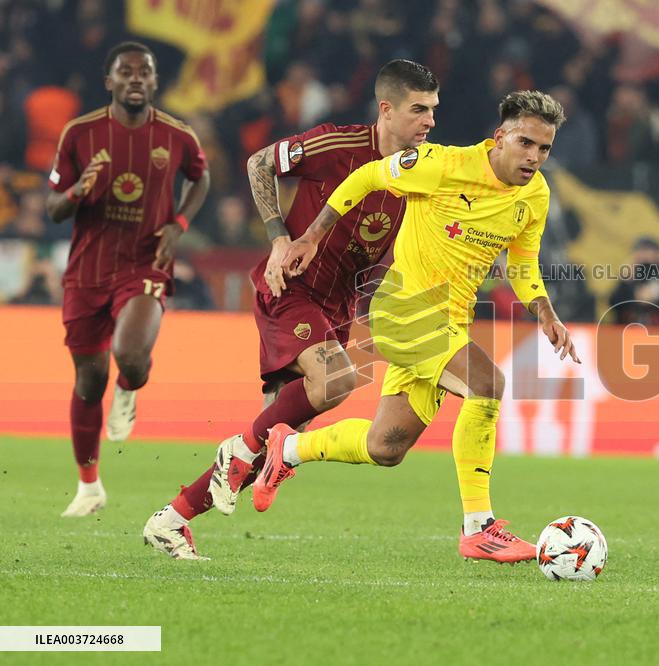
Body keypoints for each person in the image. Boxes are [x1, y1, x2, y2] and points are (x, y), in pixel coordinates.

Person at [255, 90, 580, 564]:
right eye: (526, 143)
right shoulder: (440, 165)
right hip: (403, 309)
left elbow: (523, 264)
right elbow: (366, 176)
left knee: (386, 446)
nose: (534, 157)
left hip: (449, 322)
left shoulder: (536, 195)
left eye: (544, 148)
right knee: (487, 384)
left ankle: (289, 449)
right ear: (500, 137)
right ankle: (479, 528)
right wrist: (308, 235)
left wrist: (546, 314)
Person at [141, 59, 439, 560]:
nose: (430, 121)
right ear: (386, 110)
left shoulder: (424, 171)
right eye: (419, 110)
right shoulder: (336, 146)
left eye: (434, 110)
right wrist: (278, 238)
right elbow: (260, 163)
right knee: (339, 381)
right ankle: (234, 451)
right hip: (292, 289)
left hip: (337, 308)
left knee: (274, 442)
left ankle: (172, 520)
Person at [46, 41, 209, 517]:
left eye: (145, 71)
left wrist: (178, 226)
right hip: (87, 272)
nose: (136, 77)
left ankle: (130, 388)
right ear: (109, 81)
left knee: (131, 357)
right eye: (126, 71)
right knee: (88, 381)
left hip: (144, 263)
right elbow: (54, 209)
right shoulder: (80, 134)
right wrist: (79, 190)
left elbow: (200, 179)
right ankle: (89, 485)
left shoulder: (178, 136)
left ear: (155, 82)